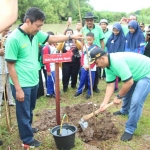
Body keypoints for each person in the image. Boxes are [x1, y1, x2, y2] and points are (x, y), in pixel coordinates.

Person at [5, 7, 82, 148]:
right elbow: (10, 66)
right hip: (22, 83)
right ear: (28, 21)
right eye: (38, 26)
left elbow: (51, 38)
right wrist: (18, 89)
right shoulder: (13, 39)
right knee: (23, 112)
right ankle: (27, 139)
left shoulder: (35, 34)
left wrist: (71, 37)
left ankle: (27, 128)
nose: (39, 29)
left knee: (30, 108)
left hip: (34, 80)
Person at [90, 48, 150, 141]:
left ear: (102, 58)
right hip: (135, 74)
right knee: (127, 94)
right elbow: (110, 85)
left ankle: (130, 129)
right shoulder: (108, 66)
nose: (96, 66)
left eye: (96, 63)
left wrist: (119, 97)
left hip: (146, 72)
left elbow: (129, 82)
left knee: (136, 101)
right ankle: (124, 111)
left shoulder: (116, 61)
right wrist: (104, 103)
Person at [81, 12, 105, 93]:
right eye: (87, 20)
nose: (89, 22)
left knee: (96, 70)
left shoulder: (98, 29)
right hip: (87, 52)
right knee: (86, 69)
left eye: (91, 20)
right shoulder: (83, 29)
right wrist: (82, 51)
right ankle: (86, 86)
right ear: (86, 21)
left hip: (97, 52)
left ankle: (95, 86)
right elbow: (82, 42)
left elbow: (102, 41)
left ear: (93, 20)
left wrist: (102, 52)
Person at [74, 32, 97, 99]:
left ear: (94, 39)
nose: (89, 41)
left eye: (90, 40)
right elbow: (83, 56)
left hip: (91, 68)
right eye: (88, 40)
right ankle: (79, 91)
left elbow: (95, 59)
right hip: (84, 66)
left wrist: (90, 66)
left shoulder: (95, 47)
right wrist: (82, 64)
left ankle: (89, 92)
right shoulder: (84, 46)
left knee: (90, 80)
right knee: (82, 79)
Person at [106, 22, 126, 92]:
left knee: (116, 72)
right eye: (114, 30)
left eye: (117, 30)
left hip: (118, 57)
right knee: (111, 71)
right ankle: (111, 84)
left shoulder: (123, 38)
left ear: (120, 30)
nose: (115, 32)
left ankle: (116, 87)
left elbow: (123, 48)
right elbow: (107, 46)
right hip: (110, 56)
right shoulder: (111, 37)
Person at [0, 27, 15, 106]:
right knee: (1, 87)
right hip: (1, 67)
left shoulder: (9, 39)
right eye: (5, 30)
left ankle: (11, 101)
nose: (7, 32)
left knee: (10, 84)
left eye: (8, 31)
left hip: (9, 66)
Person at [42, 31, 57, 98]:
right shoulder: (46, 47)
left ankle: (49, 92)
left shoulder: (53, 46)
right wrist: (48, 70)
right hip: (50, 67)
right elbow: (46, 60)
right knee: (53, 80)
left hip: (53, 66)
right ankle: (54, 92)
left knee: (50, 80)